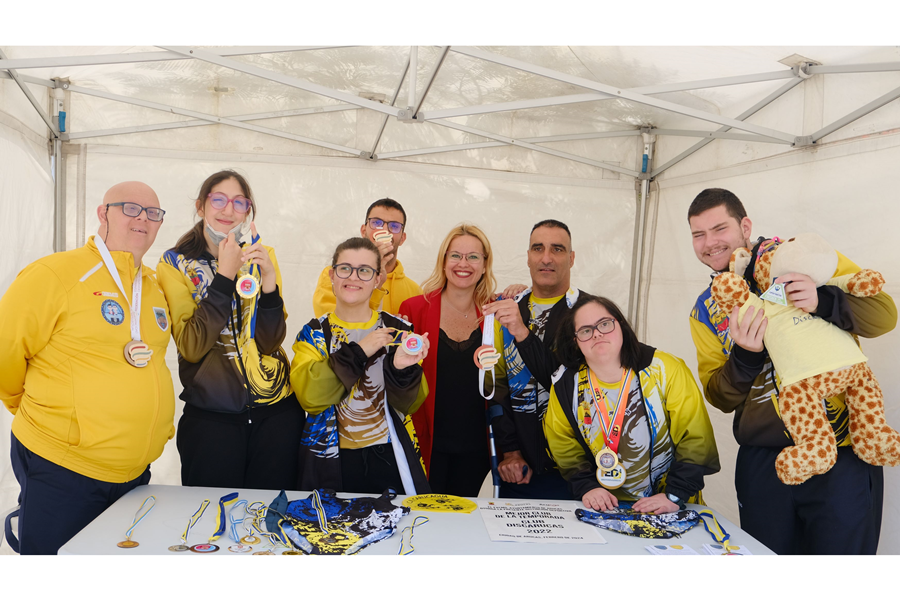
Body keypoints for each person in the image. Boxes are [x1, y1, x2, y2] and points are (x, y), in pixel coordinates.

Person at [687, 187, 897, 554]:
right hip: (764, 463)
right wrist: (746, 356)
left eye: (719, 229)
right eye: (698, 235)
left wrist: (823, 300)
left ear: (745, 226)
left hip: (840, 455)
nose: (710, 243)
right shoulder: (706, 308)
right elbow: (718, 395)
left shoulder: (799, 255)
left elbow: (883, 316)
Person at [0, 182, 175, 555]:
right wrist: (32, 407)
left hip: (133, 474)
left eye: (153, 213)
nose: (143, 218)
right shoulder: (56, 273)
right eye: (130, 208)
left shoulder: (155, 287)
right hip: (63, 468)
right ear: (102, 213)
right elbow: (6, 348)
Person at [157, 170, 303, 490]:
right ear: (201, 206)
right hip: (213, 419)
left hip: (276, 415)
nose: (228, 210)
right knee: (211, 521)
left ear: (247, 211)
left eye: (239, 202)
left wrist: (269, 286)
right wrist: (224, 277)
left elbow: (268, 342)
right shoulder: (174, 264)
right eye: (218, 200)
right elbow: (191, 346)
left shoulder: (262, 256)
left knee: (269, 519)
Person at [544, 294, 720, 511]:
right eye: (586, 331)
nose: (597, 334)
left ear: (621, 326)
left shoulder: (666, 368)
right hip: (603, 507)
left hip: (669, 504)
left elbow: (695, 437)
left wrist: (674, 495)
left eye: (605, 324)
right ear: (575, 341)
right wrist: (587, 487)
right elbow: (562, 442)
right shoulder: (566, 383)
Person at [291, 237, 430, 495]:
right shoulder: (314, 333)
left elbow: (411, 405)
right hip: (332, 461)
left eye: (364, 271)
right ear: (332, 275)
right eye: (345, 268)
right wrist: (359, 352)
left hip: (389, 458)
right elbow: (310, 397)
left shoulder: (398, 331)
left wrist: (402, 369)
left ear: (378, 279)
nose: (353, 277)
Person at [480, 219, 581, 499]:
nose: (546, 258)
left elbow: (578, 389)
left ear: (571, 259)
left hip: (577, 472)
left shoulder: (589, 313)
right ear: (527, 257)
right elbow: (497, 388)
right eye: (538, 248)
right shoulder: (508, 308)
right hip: (520, 469)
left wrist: (523, 333)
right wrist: (510, 451)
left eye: (557, 249)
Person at [399, 224, 498, 497]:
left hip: (477, 449)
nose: (463, 264)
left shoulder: (494, 312)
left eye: (473, 257)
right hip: (427, 444)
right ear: (443, 262)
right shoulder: (414, 309)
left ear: (484, 264)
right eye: (455, 255)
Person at [312, 198, 421, 318]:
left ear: (402, 238)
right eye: (376, 223)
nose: (384, 231)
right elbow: (334, 328)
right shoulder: (336, 276)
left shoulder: (415, 291)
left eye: (394, 226)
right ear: (364, 231)